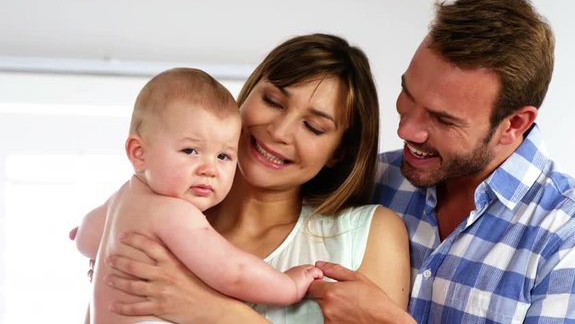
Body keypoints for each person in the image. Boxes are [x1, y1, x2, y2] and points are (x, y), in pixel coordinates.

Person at [309, 0, 575, 323]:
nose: (407, 130)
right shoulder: (371, 179)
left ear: (514, 124)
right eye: (407, 93)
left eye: (443, 119)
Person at [79, 34, 411, 323]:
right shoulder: (156, 219)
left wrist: (213, 311)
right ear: (248, 93)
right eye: (272, 101)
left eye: (314, 127)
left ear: (338, 153)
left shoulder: (366, 235)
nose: (278, 132)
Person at [72, 67, 324, 324]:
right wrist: (288, 286)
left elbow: (84, 241)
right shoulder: (176, 214)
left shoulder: (120, 201)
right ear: (139, 153)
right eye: (191, 150)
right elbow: (234, 273)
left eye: (223, 156)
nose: (209, 170)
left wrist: (93, 238)